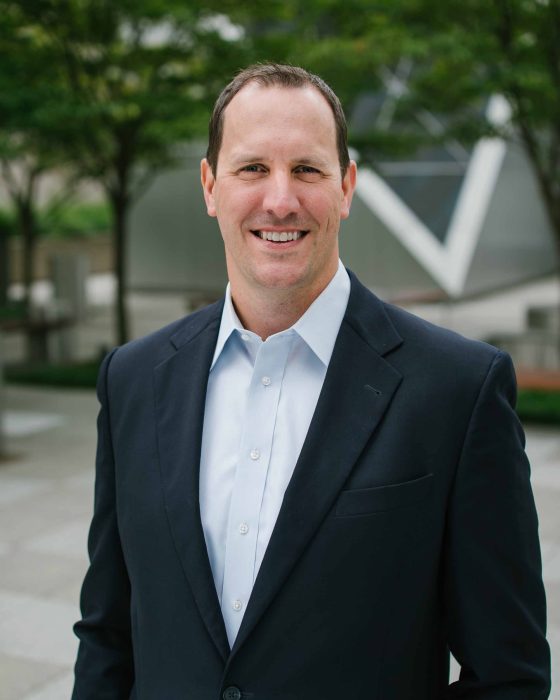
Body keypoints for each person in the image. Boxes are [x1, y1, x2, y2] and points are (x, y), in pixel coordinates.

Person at [72, 63, 551, 700]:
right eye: (251, 169)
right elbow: (109, 635)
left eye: (307, 169)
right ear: (210, 186)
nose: (280, 200)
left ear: (346, 187)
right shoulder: (132, 378)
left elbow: (509, 675)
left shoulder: (458, 390)